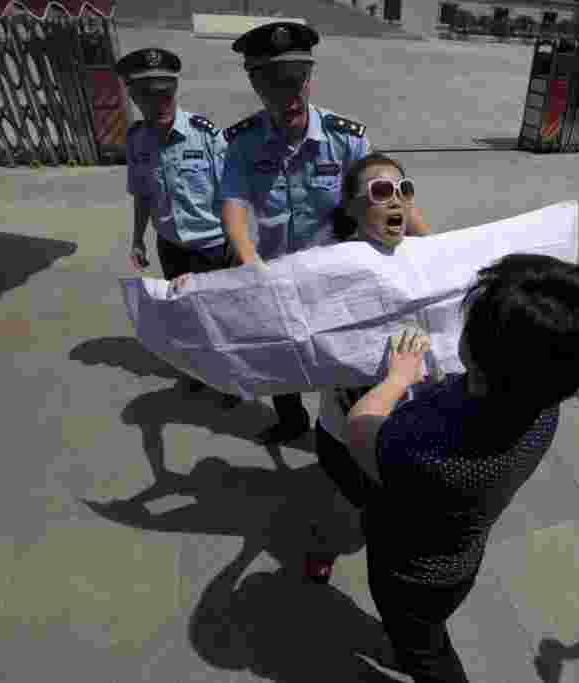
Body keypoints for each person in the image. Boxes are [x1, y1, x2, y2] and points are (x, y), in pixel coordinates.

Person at [331, 254, 579, 681]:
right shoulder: (544, 406)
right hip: (457, 562)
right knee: (425, 631)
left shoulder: (425, 450)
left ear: (475, 353)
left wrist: (397, 379)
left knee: (424, 648)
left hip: (412, 573)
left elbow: (360, 430)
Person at [218, 21, 429, 445]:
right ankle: (292, 418)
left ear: (310, 78)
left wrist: (435, 244)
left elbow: (387, 194)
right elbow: (235, 205)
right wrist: (249, 262)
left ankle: (354, 427)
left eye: (299, 80)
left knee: (350, 356)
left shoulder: (345, 139)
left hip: (340, 275)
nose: (292, 94)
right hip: (277, 270)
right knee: (279, 355)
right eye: (277, 83)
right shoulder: (242, 143)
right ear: (257, 85)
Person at [303, 152, 431, 583]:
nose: (396, 200)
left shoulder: (425, 259)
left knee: (388, 505)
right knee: (345, 508)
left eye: (404, 190)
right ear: (354, 207)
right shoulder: (328, 266)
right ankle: (323, 546)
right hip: (345, 432)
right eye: (381, 191)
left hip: (404, 423)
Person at [116, 48, 238, 405]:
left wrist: (237, 241)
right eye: (150, 94)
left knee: (221, 319)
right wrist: (138, 238)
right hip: (170, 243)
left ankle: (230, 380)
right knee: (185, 315)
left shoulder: (206, 135)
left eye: (167, 92)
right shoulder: (137, 140)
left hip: (213, 246)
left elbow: (232, 194)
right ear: (135, 97)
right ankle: (199, 372)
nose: (161, 101)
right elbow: (141, 193)